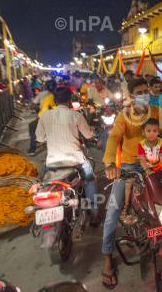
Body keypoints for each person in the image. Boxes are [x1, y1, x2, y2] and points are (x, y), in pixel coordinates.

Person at [101, 78, 162, 289]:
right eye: (139, 92)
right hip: (129, 166)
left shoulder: (156, 110)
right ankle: (107, 257)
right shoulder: (124, 115)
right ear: (132, 96)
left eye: (146, 91)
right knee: (113, 211)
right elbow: (114, 138)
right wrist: (109, 163)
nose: (144, 94)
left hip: (154, 162)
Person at [35, 87, 100, 227]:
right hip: (75, 161)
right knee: (90, 181)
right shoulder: (75, 115)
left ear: (55, 100)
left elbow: (40, 137)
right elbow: (88, 134)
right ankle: (94, 214)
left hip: (52, 162)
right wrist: (93, 129)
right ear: (71, 99)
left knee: (46, 185)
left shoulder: (45, 115)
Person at [27, 79, 57, 156]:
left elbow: (42, 109)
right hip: (58, 117)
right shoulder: (59, 94)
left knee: (33, 129)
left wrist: (37, 114)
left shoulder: (45, 96)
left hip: (46, 118)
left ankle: (32, 149)